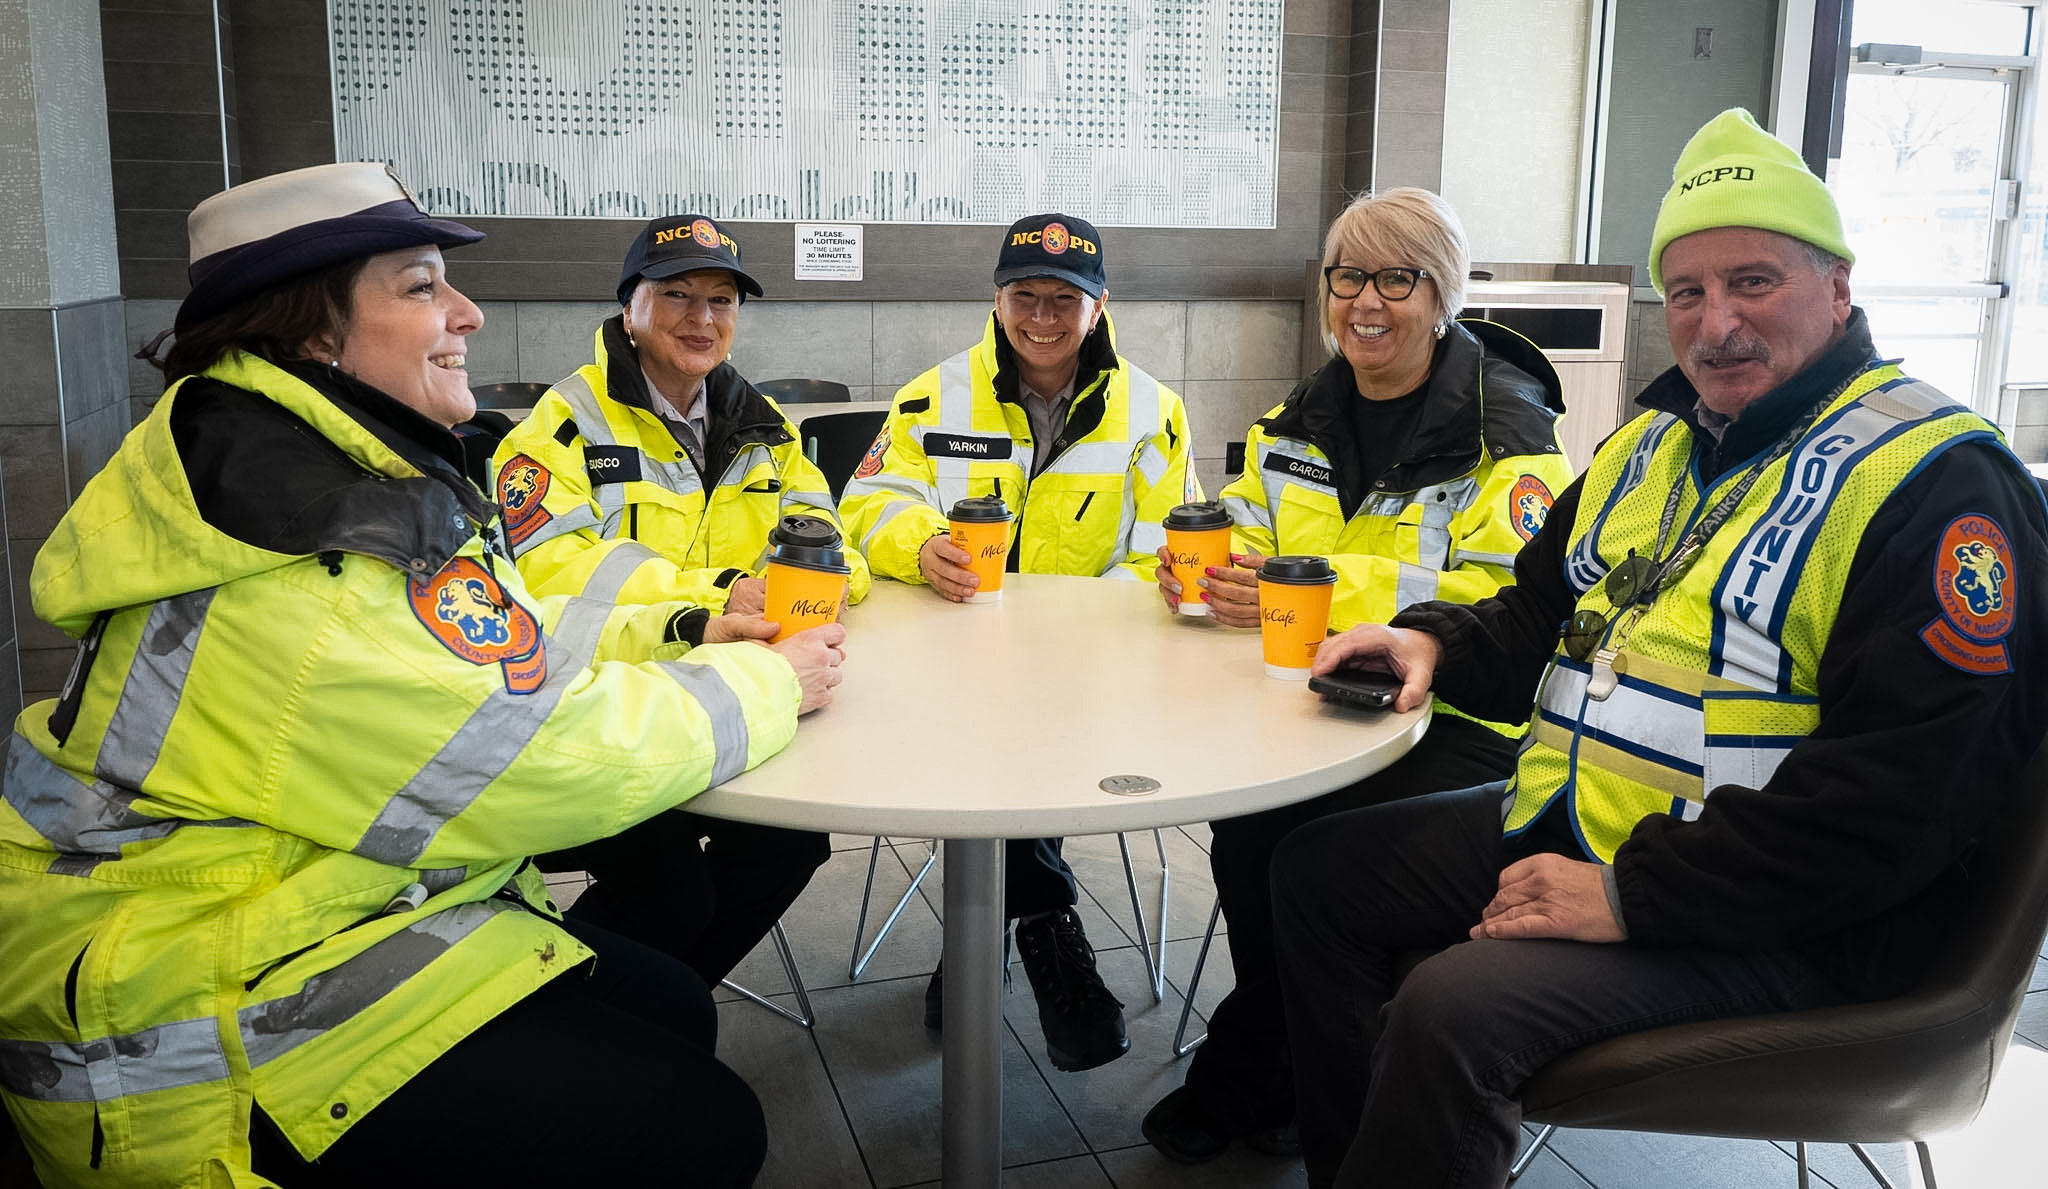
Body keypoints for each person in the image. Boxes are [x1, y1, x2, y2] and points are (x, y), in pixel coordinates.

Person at [0, 164, 846, 1189]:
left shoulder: (334, 475)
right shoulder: (309, 541)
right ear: (310, 333)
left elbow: (508, 638)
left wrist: (691, 622)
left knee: (673, 997)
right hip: (185, 990)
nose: (469, 313)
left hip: (317, 894)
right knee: (703, 1124)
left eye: (720, 301)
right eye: (419, 287)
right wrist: (769, 685)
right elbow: (539, 759)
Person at [1272, 108, 2048, 1189]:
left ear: (1837, 288)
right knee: (1314, 871)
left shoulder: (1935, 485)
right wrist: (1432, 647)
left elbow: (1903, 798)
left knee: (1454, 1005)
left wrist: (1635, 897)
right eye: (1684, 293)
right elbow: (1533, 615)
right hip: (1595, 823)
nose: (1712, 323)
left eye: (1752, 283)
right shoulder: (1651, 444)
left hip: (1804, 918)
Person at [1139, 188, 1573, 1163]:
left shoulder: (1509, 432)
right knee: (1248, 829)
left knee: (1302, 845)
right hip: (1321, 698)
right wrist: (1214, 569)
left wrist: (1321, 591)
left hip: (1462, 718)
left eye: (1395, 279)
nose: (1363, 303)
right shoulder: (1298, 411)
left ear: (1440, 295)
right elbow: (1251, 518)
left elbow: (1511, 604)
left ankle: (1264, 1072)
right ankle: (1280, 1068)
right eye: (1347, 277)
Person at [838, 212, 1196, 1071]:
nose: (1042, 317)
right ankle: (1049, 930)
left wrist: (1069, 632)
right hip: (951, 666)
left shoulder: (1155, 411)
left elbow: (1164, 553)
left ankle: (978, 943)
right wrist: (917, 545)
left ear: (1100, 304)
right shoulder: (933, 395)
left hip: (1094, 675)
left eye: (1064, 300)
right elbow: (869, 501)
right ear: (996, 299)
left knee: (1026, 742)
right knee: (988, 737)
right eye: (1024, 296)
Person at [490, 214, 869, 986]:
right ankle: (589, 1012)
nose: (702, 318)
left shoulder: (761, 424)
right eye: (678, 295)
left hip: (740, 691)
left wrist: (824, 572)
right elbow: (551, 574)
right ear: (630, 306)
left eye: (722, 300)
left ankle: (666, 1004)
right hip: (605, 706)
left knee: (793, 841)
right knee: (670, 891)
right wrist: (719, 595)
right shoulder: (558, 429)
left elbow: (821, 527)